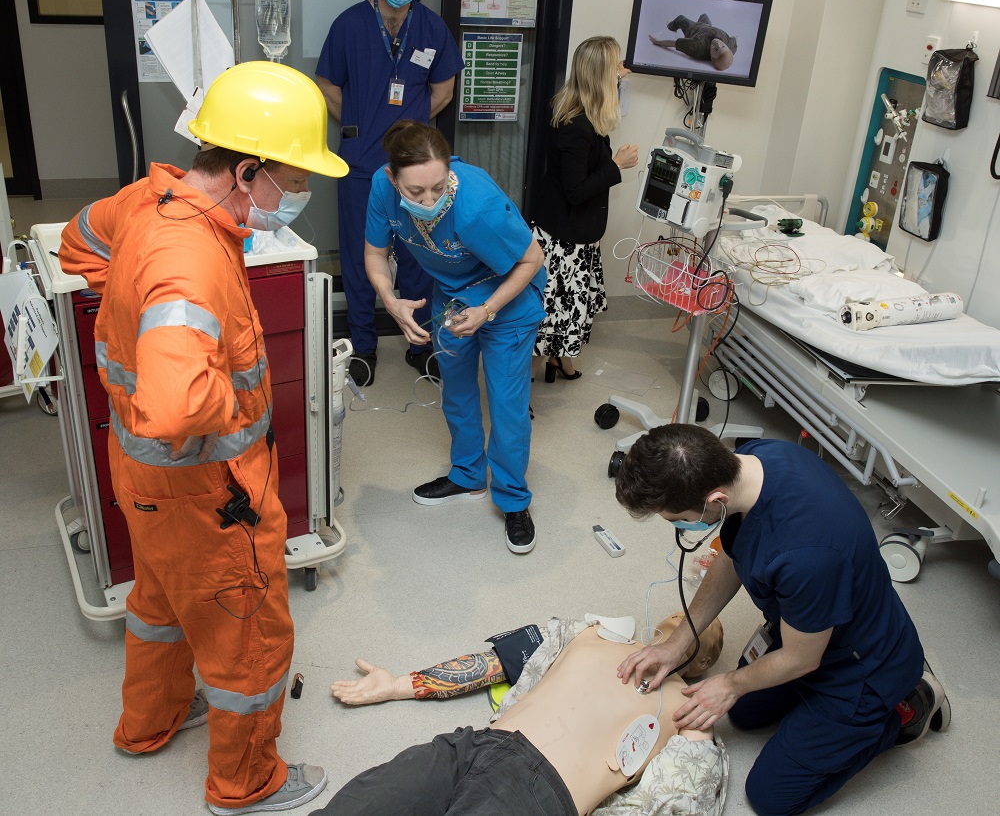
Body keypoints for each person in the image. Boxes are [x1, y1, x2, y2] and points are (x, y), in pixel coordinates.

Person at [58, 62, 348, 816]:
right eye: (292, 175)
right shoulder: (188, 262)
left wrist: (130, 301)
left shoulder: (152, 201)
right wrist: (202, 363)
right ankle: (245, 783)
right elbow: (175, 405)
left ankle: (148, 726)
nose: (298, 193)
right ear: (248, 170)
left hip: (147, 485)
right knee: (249, 636)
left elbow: (78, 244)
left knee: (159, 603)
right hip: (208, 495)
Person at [614, 424, 951, 816]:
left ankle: (909, 705)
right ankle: (820, 718)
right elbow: (734, 554)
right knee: (742, 714)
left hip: (861, 668)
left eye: (677, 519)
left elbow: (800, 660)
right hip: (808, 628)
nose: (677, 526)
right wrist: (678, 643)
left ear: (716, 500)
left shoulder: (806, 554)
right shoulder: (757, 460)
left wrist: (730, 683)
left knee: (770, 796)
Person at [311, 613, 727, 815]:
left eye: (706, 627)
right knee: (356, 807)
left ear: (706, 662)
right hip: (471, 746)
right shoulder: (591, 633)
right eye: (686, 610)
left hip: (540, 789)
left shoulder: (688, 705)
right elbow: (496, 662)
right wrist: (399, 684)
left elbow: (685, 793)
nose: (691, 617)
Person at [365, 120, 546, 553]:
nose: (429, 200)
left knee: (506, 404)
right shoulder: (381, 187)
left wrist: (487, 310)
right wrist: (390, 301)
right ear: (394, 179)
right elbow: (375, 252)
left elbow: (531, 258)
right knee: (457, 390)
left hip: (508, 298)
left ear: (450, 170)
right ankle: (467, 475)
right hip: (452, 296)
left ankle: (513, 500)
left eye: (438, 187)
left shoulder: (476, 204)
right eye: (415, 193)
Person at [315, 0, 464, 387]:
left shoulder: (432, 28)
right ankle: (363, 346)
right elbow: (328, 84)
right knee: (361, 255)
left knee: (419, 253)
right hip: (361, 160)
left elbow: (443, 92)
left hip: (413, 165)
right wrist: (360, 123)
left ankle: (419, 345)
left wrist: (405, 133)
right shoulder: (349, 24)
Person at [530, 36, 639, 384]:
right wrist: (617, 165)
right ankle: (527, 381)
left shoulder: (579, 113)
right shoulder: (577, 127)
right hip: (564, 239)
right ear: (601, 75)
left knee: (563, 310)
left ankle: (560, 362)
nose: (624, 71)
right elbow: (576, 191)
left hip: (572, 233)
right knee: (553, 315)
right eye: (617, 67)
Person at [649, 14, 738, 72]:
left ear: (711, 56)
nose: (717, 43)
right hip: (707, 26)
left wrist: (657, 41)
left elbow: (672, 43)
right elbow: (734, 42)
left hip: (694, 30)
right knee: (704, 15)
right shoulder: (730, 45)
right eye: (722, 46)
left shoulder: (696, 47)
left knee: (680, 18)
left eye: (715, 49)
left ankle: (671, 27)